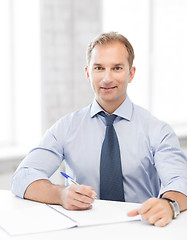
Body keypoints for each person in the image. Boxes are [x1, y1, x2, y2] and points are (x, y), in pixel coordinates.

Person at [11, 32, 187, 227]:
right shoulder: (66, 127)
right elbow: (22, 176)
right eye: (99, 68)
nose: (107, 78)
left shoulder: (157, 130)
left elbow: (180, 180)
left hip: (142, 227)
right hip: (84, 230)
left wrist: (169, 204)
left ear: (131, 73)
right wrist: (60, 194)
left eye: (117, 68)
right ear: (88, 73)